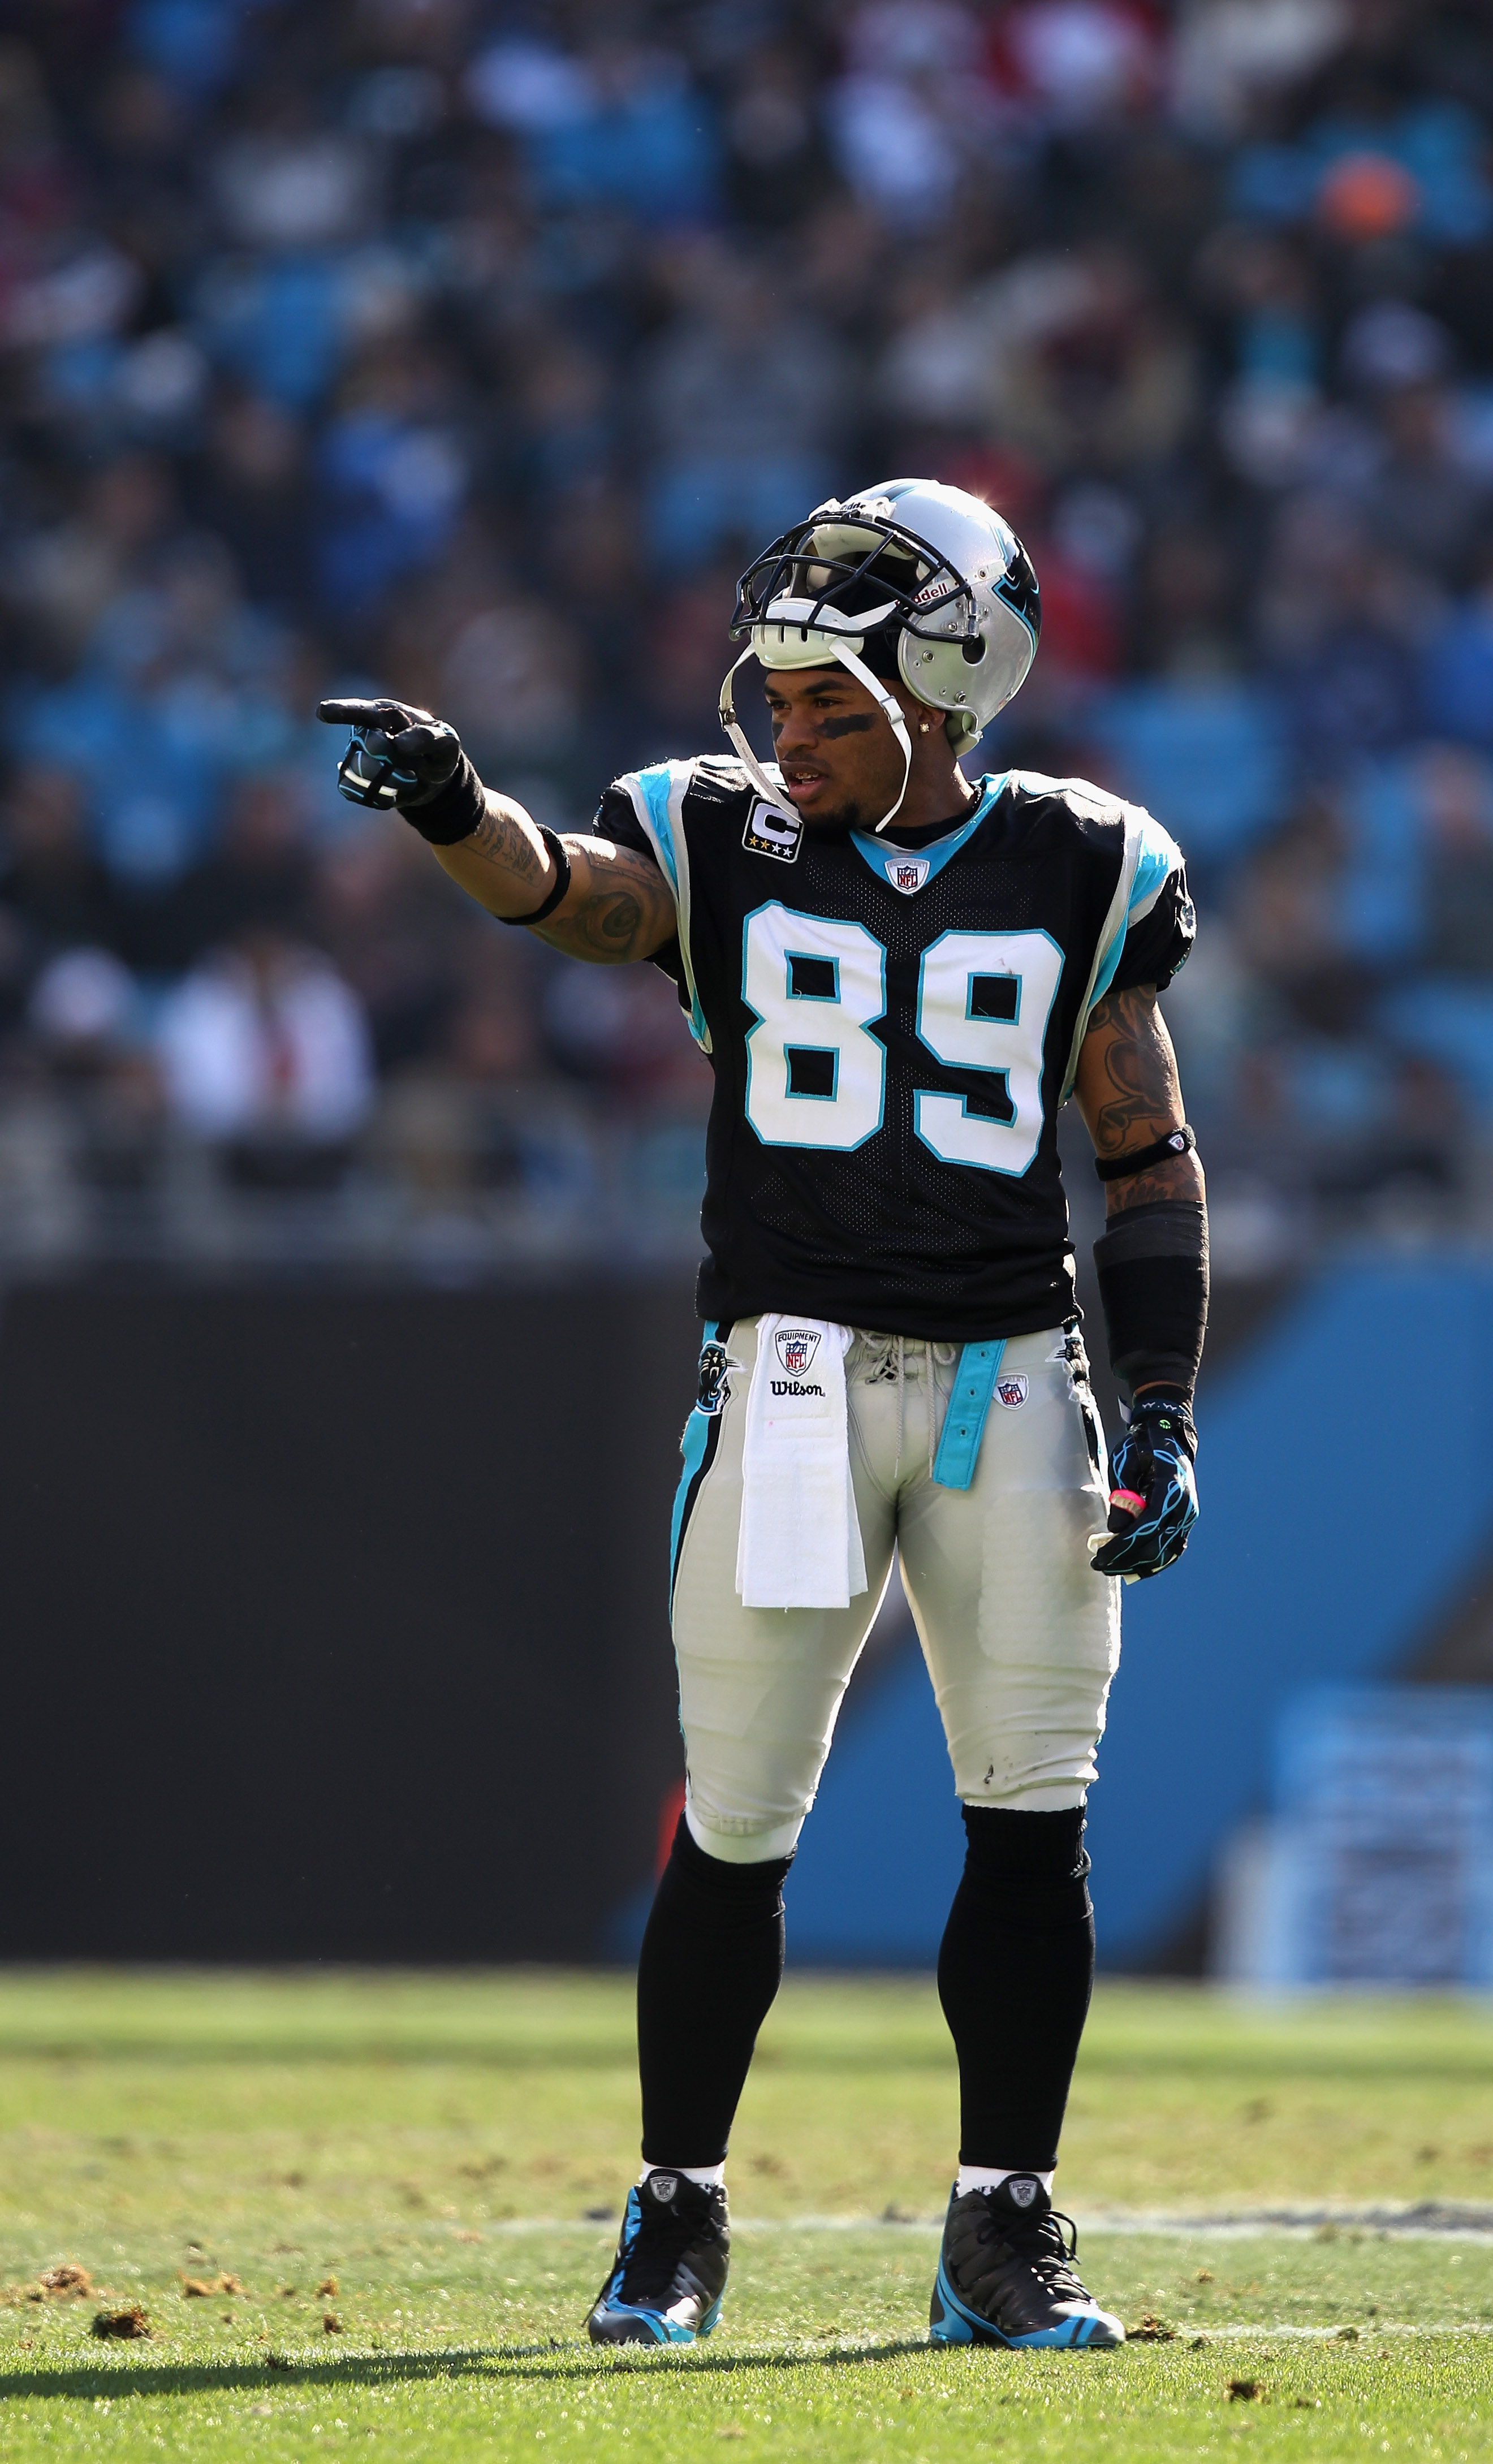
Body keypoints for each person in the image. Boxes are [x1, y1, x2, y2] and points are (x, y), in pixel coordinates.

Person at [320, 480, 1206, 2354]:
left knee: (1033, 1820)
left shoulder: (1085, 860)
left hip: (1013, 1385)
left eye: (828, 705)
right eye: (778, 699)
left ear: (947, 692)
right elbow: (574, 895)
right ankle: (675, 2211)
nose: (784, 737)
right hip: (793, 1379)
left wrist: (1169, 1409)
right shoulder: (719, 831)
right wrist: (454, 808)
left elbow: (1145, 1156)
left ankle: (1003, 2227)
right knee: (735, 1823)